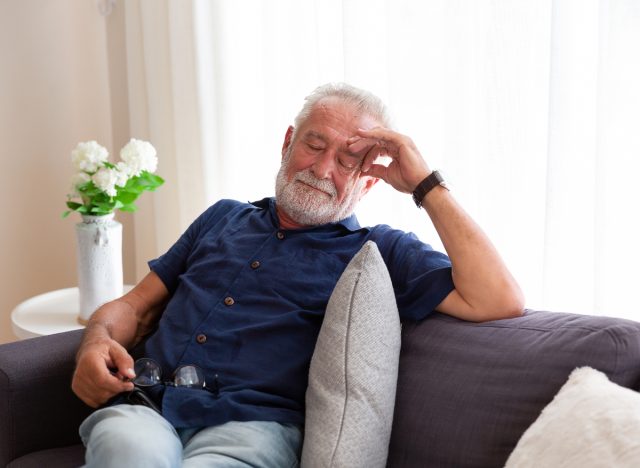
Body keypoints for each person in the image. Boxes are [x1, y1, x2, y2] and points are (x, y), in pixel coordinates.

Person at [71, 83, 524, 467]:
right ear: (288, 141)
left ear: (369, 180)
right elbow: (134, 305)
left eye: (348, 161)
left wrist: (426, 184)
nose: (323, 169)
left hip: (250, 430)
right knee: (125, 450)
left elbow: (499, 298)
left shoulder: (377, 251)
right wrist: (94, 342)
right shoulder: (223, 217)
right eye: (314, 144)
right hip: (145, 407)